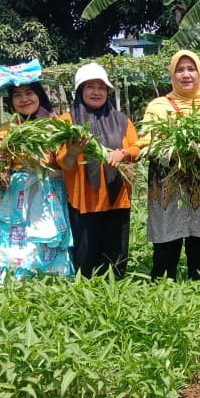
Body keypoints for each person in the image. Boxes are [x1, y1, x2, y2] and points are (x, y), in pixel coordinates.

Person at [0, 62, 74, 286]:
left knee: (46, 237)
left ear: (39, 95)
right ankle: (8, 285)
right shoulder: (8, 128)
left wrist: (49, 158)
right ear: (11, 101)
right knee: (14, 238)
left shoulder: (58, 123)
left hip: (48, 192)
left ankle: (45, 285)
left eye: (29, 93)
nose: (24, 99)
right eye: (17, 95)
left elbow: (65, 160)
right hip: (17, 194)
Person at [141, 50, 200, 280]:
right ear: (172, 74)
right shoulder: (158, 106)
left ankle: (198, 288)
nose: (186, 74)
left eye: (191, 69)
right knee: (165, 247)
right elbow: (146, 143)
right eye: (180, 70)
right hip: (167, 186)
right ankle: (162, 289)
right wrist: (176, 150)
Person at [57, 63, 139, 279]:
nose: (96, 92)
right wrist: (73, 153)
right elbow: (63, 162)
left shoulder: (122, 120)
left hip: (117, 197)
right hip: (84, 199)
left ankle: (117, 289)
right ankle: (86, 290)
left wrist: (123, 154)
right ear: (80, 91)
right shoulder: (67, 121)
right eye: (90, 87)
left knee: (115, 254)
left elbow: (137, 148)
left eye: (102, 87)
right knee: (86, 255)